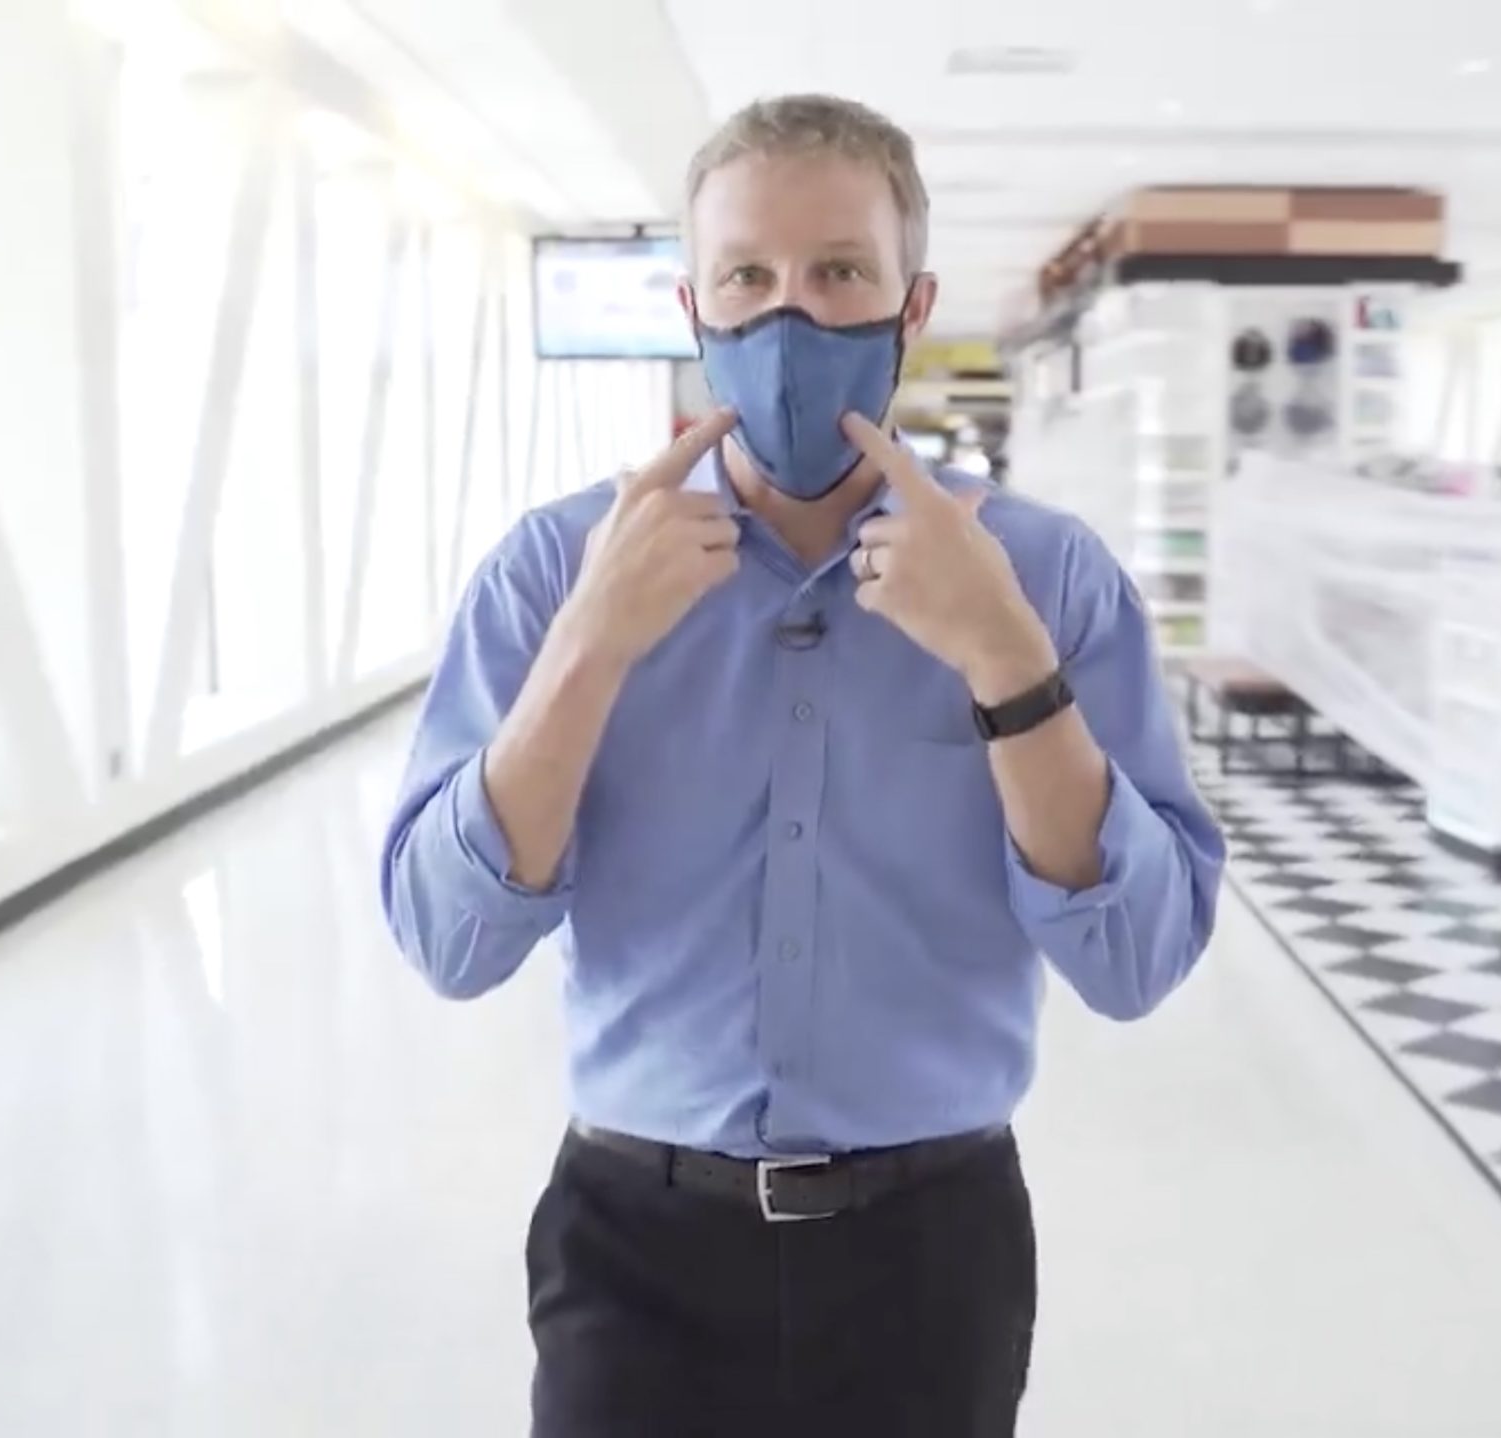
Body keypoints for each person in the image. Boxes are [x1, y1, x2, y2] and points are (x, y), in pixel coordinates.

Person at [381, 92, 1225, 1437]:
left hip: (931, 1250)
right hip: (633, 1248)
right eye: (748, 278)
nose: (790, 323)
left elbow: (1137, 958)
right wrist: (589, 652)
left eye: (839, 274)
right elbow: (447, 936)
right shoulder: (556, 570)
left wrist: (1010, 662)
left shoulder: (1047, 578)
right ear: (693, 305)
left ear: (910, 301)